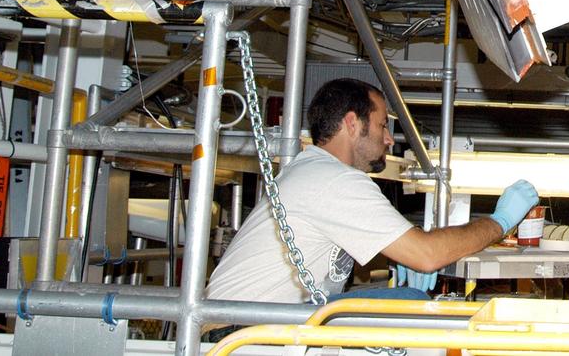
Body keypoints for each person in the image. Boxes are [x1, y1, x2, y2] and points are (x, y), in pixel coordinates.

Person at [207, 78, 538, 305]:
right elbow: (428, 254)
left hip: (249, 324)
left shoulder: (311, 171)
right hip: (246, 331)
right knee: (414, 306)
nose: (390, 139)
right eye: (382, 126)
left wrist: (394, 253)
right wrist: (500, 221)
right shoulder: (334, 179)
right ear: (352, 124)